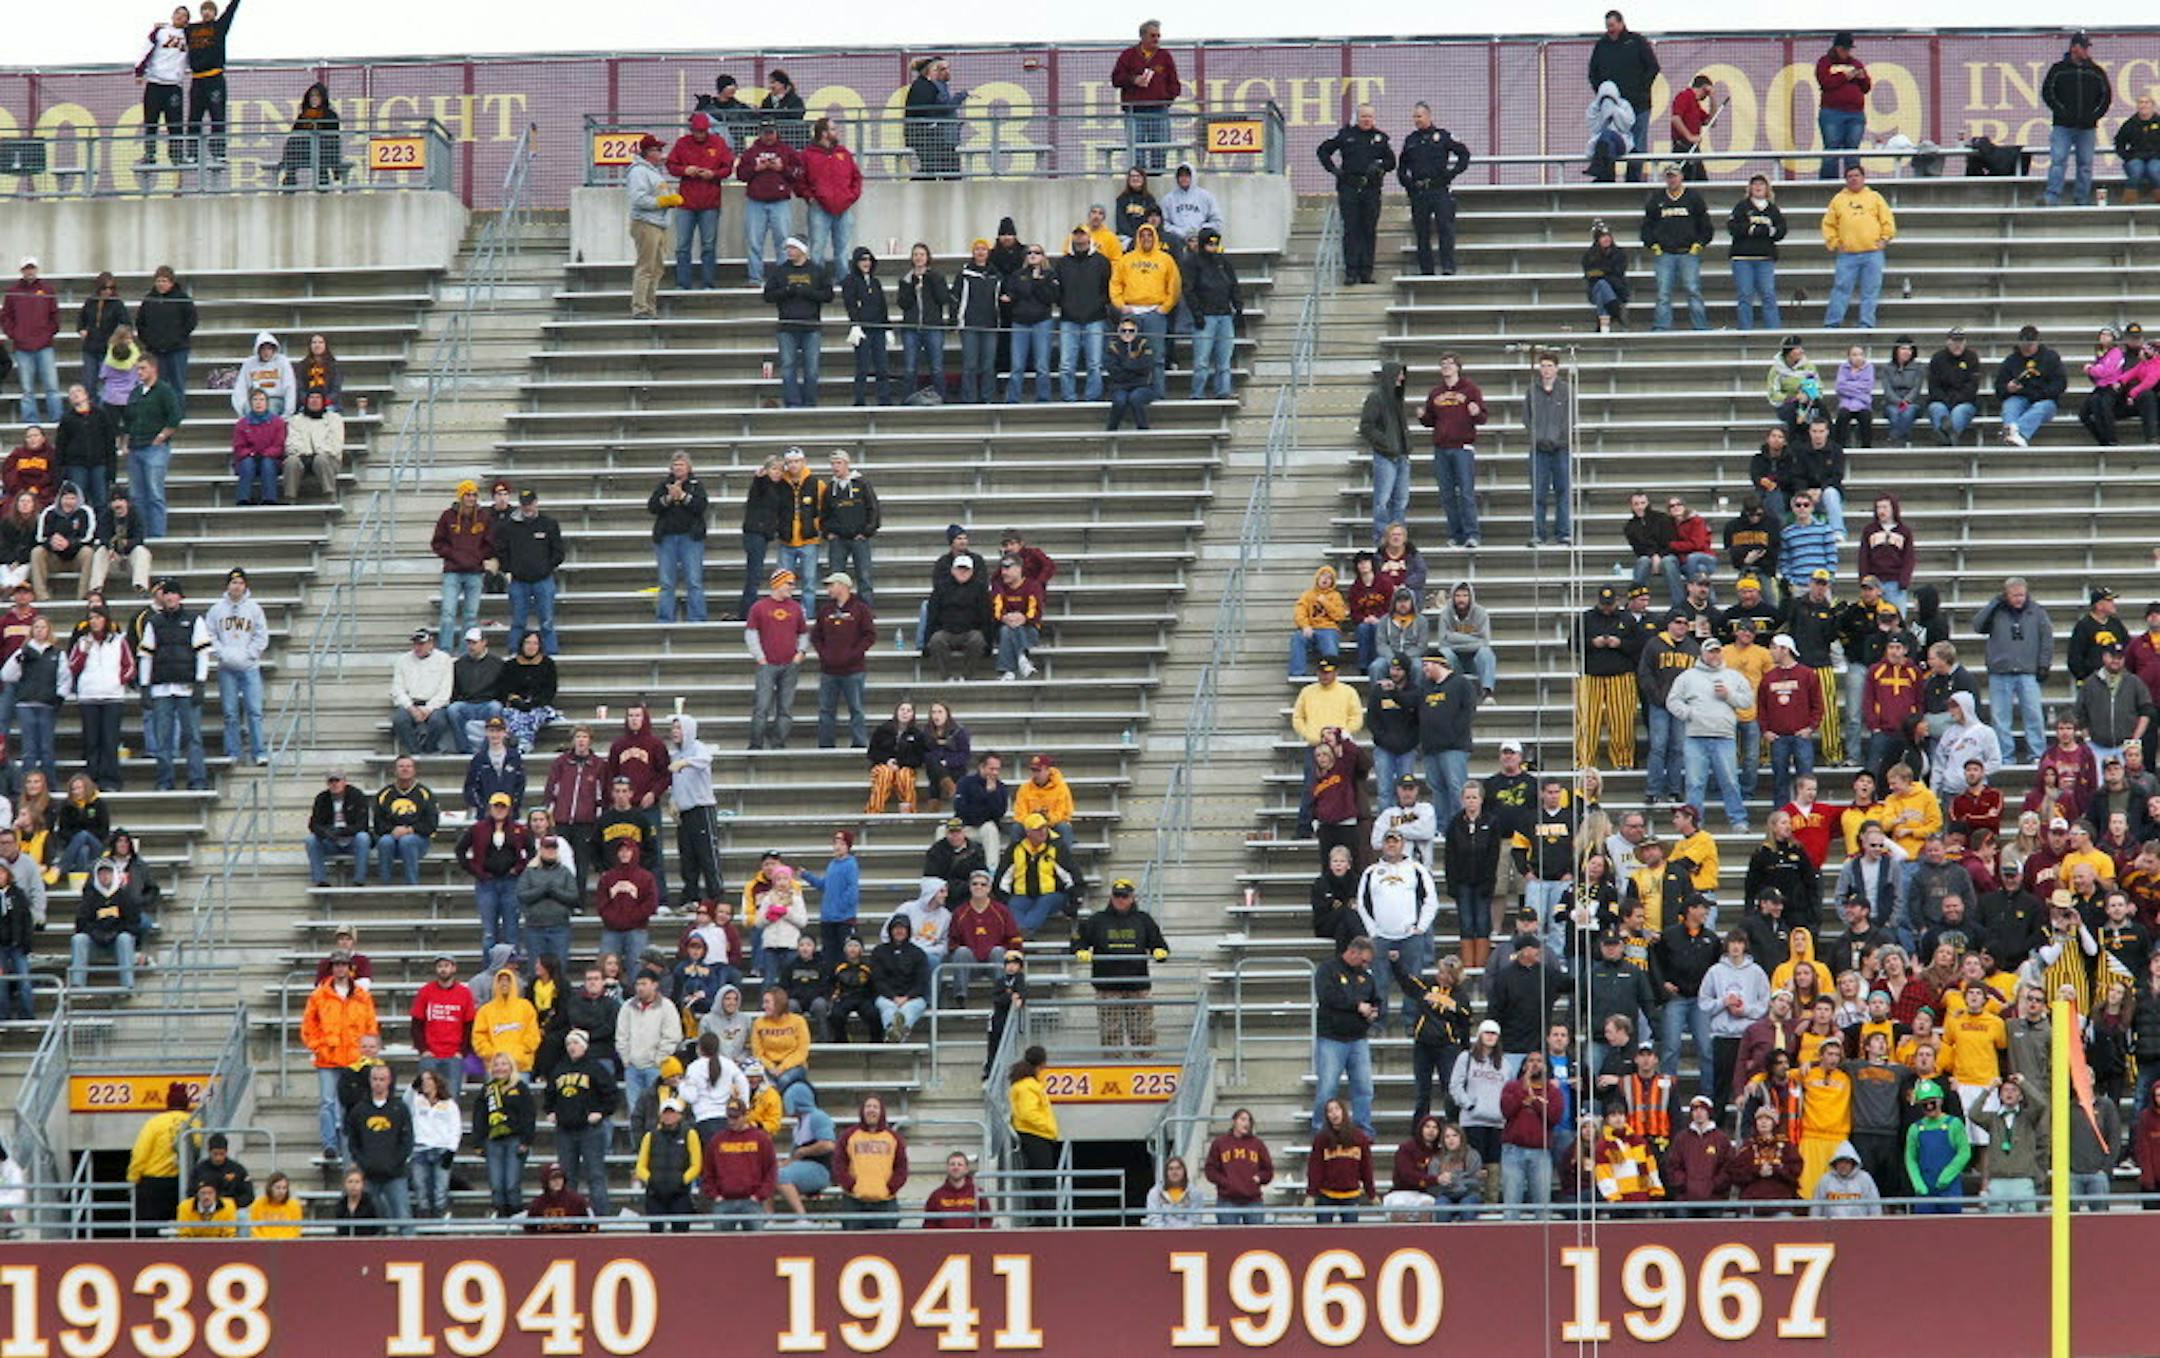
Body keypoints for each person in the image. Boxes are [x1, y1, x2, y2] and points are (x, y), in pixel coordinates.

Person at [1973, 577, 2054, 763]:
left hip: (2028, 671)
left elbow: (2047, 639)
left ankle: (2037, 754)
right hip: (2000, 672)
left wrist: (2044, 664)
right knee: (2000, 719)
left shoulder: (2037, 612)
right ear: (2005, 595)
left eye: (2022, 595)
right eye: (2014, 595)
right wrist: (1993, 604)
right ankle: (2005, 756)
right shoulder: (1996, 611)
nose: (2019, 599)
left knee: (2034, 716)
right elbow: (1978, 626)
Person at [1418, 353, 1487, 549]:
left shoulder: (1471, 389)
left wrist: (1476, 413)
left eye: (1450, 364)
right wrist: (1423, 417)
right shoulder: (1435, 393)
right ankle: (1455, 535)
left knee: (1466, 494)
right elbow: (1431, 421)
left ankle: (1472, 534)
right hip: (1441, 449)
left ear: (1458, 367)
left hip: (1462, 448)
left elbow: (1483, 417)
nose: (1446, 367)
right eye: (1443, 364)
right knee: (1447, 495)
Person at [1820, 166, 1896, 330]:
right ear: (1846, 180)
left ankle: (1866, 323)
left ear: (1863, 178)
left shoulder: (1875, 197)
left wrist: (1885, 239)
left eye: (1856, 175)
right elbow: (1828, 224)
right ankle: (1832, 323)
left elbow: (1887, 221)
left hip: (1873, 253)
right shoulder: (1838, 199)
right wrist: (1834, 242)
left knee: (1870, 291)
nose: (1853, 179)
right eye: (1849, 176)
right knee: (1841, 289)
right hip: (1848, 254)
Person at [1110, 224, 1179, 399]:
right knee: (1127, 353)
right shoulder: (1126, 259)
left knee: (1157, 356)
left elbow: (1175, 285)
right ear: (1137, 238)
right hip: (1131, 311)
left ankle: (1158, 394)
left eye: (1150, 235)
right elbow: (1115, 283)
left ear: (1155, 237)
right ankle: (1130, 393)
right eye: (1143, 235)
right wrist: (1121, 305)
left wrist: (1165, 308)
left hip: (1155, 312)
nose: (1146, 238)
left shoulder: (1166, 259)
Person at [2042, 32, 2111, 207]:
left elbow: (2106, 97)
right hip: (2062, 127)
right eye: (2084, 47)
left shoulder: (2096, 72)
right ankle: (2052, 196)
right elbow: (2048, 93)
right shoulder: (2058, 69)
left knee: (2085, 165)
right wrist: (2062, 112)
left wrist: (2093, 116)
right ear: (2074, 47)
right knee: (2058, 161)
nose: (2087, 51)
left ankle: (2082, 199)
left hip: (2087, 128)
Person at [1641, 164, 1712, 331]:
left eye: (1674, 176)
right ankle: (1661, 326)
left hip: (1688, 253)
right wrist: (1652, 244)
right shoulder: (1657, 199)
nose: (1671, 180)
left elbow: (1705, 225)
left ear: (1681, 177)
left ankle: (1700, 327)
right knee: (1663, 294)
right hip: (1664, 254)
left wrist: (1699, 244)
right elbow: (1647, 226)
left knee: (1693, 291)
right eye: (1668, 176)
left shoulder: (1693, 198)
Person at [495, 487, 564, 656]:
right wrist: (510, 569)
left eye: (530, 504)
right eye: (524, 505)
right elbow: (501, 550)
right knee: (518, 620)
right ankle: (514, 651)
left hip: (543, 580)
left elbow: (558, 552)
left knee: (546, 621)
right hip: (519, 581)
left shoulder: (549, 524)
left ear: (536, 503)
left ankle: (551, 653)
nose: (527, 508)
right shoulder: (509, 527)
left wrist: (545, 568)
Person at [119, 357, 182, 541]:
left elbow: (175, 417)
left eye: (143, 368)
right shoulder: (136, 392)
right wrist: (125, 442)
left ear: (153, 368)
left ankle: (156, 533)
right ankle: (140, 533)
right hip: (135, 447)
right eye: (137, 369)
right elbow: (128, 420)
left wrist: (162, 436)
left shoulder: (164, 390)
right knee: (136, 495)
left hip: (154, 448)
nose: (139, 372)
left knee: (154, 493)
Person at [766, 238, 832, 409]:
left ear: (803, 250)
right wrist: (788, 291)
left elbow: (828, 295)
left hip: (811, 327)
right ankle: (793, 403)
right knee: (788, 368)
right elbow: (768, 295)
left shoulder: (817, 270)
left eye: (793, 247)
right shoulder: (780, 271)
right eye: (788, 248)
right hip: (787, 326)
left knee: (812, 370)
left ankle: (810, 402)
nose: (789, 251)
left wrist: (808, 292)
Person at [735, 118, 802, 287]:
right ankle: (755, 278)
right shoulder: (751, 152)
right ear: (760, 133)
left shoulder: (786, 151)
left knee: (783, 242)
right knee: (754, 241)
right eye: (766, 132)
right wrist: (755, 169)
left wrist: (782, 169)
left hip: (780, 202)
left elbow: (798, 172)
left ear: (776, 132)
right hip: (755, 202)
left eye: (771, 132)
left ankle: (782, 279)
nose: (769, 136)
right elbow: (740, 174)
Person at [645, 452, 709, 625]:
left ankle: (697, 618)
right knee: (666, 582)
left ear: (689, 467)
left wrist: (683, 497)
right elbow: (652, 507)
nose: (678, 468)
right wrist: (668, 498)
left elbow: (701, 506)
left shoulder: (696, 486)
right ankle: (665, 619)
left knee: (694, 581)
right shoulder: (663, 485)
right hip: (666, 539)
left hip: (691, 538)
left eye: (681, 465)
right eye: (675, 465)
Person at [1110, 20, 1181, 171]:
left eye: (1158, 36)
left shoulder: (1165, 56)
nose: (1156, 39)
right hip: (1135, 111)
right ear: (1142, 36)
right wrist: (1133, 80)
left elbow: (1174, 83)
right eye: (1152, 35)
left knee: (1160, 148)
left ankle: (1157, 177)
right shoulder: (1128, 55)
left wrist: (1166, 99)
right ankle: (1139, 182)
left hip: (1159, 110)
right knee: (1137, 150)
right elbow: (1116, 79)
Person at [2, 259, 61, 429]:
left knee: (52, 386)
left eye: (32, 268)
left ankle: (56, 419)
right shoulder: (13, 292)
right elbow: (6, 317)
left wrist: (48, 332)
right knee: (27, 389)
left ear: (36, 269)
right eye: (26, 268)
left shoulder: (47, 289)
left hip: (45, 346)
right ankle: (30, 422)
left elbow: (54, 315)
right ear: (21, 270)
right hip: (22, 347)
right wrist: (15, 334)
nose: (29, 271)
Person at [1994, 324, 2067, 449]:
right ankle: (2011, 437)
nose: (2027, 349)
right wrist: (2008, 388)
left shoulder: (2050, 358)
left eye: (2030, 345)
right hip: (2019, 398)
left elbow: (2060, 384)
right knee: (2010, 405)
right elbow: (1999, 387)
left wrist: (2041, 394)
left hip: (2045, 400)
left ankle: (2016, 431)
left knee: (2041, 407)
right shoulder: (2011, 360)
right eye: (2024, 345)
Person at [894, 244, 952, 400]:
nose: (918, 257)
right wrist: (912, 287)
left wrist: (930, 280)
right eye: (915, 254)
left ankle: (941, 398)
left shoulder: (937, 276)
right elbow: (903, 303)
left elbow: (943, 298)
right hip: (911, 328)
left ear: (927, 257)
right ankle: (908, 399)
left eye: (922, 254)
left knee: (937, 367)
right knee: (910, 368)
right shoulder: (906, 279)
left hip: (932, 327)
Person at [839, 248, 894, 408]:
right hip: (862, 330)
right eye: (863, 260)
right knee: (862, 367)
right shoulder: (850, 281)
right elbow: (850, 304)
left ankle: (884, 399)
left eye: (869, 260)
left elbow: (882, 306)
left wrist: (887, 326)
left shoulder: (875, 282)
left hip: (878, 329)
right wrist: (855, 324)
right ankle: (859, 399)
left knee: (882, 367)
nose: (866, 263)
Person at [1814, 33, 1872, 179]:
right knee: (1831, 150)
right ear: (1836, 48)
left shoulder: (1856, 63)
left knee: (1852, 153)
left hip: (1855, 114)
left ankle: (1853, 183)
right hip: (1832, 113)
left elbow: (1866, 87)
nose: (1846, 52)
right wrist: (1845, 77)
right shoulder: (1825, 62)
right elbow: (1825, 82)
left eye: (1848, 49)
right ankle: (1827, 184)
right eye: (1844, 49)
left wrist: (1863, 78)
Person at [953, 239, 1001, 405]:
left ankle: (987, 398)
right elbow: (955, 299)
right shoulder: (964, 274)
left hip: (990, 325)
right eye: (977, 249)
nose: (980, 252)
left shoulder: (996, 274)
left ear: (988, 253)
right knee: (970, 366)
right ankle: (969, 399)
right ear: (973, 253)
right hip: (969, 324)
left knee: (988, 366)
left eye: (983, 249)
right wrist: (955, 321)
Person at [902, 57, 963, 180]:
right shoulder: (926, 87)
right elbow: (937, 108)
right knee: (934, 167)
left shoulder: (924, 85)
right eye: (938, 69)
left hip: (925, 135)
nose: (942, 72)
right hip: (923, 135)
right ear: (929, 71)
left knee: (937, 166)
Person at [1103, 318, 1157, 431]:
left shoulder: (1145, 344)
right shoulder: (1112, 346)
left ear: (1136, 331)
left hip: (1143, 386)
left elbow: (1146, 366)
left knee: (1136, 398)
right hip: (1120, 386)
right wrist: (1134, 368)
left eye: (1131, 330)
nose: (1127, 333)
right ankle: (1111, 431)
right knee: (1119, 400)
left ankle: (1143, 429)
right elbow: (1112, 370)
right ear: (1119, 331)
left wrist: (1125, 364)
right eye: (1124, 330)